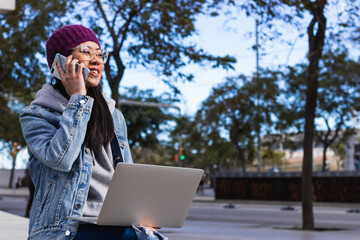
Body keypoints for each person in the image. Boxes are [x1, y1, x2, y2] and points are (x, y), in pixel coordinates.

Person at [19, 25, 166, 240]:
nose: (97, 60)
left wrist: (141, 214)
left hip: (114, 221)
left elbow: (128, 174)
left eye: (100, 54)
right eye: (86, 52)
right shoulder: (37, 115)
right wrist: (78, 98)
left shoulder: (113, 115)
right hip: (66, 227)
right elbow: (61, 159)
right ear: (60, 62)